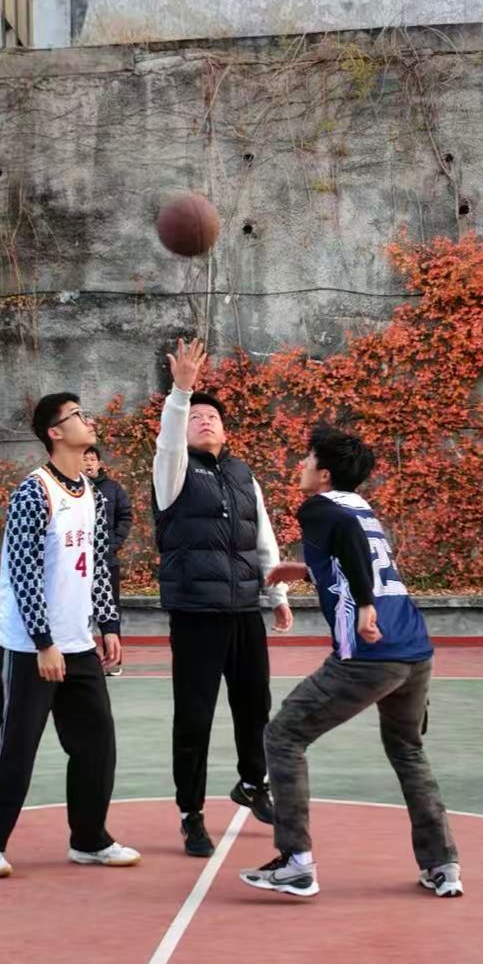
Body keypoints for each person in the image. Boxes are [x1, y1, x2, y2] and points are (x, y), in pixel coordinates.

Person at [240, 426, 460, 900]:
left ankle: (296, 864)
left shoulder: (318, 508)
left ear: (324, 474)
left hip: (370, 652)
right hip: (414, 650)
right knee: (407, 750)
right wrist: (308, 570)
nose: (301, 466)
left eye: (307, 459)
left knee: (283, 736)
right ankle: (442, 863)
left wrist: (362, 605)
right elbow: (360, 556)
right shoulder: (360, 507)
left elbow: (352, 550)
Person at [0, 393, 135, 878]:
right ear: (55, 432)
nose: (89, 419)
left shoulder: (92, 493)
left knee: (97, 743)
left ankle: (89, 840)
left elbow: (97, 563)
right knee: (17, 747)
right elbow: (23, 571)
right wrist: (43, 642)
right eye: (78, 415)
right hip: (31, 647)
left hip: (78, 642)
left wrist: (108, 624)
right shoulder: (33, 491)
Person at [154, 338, 293, 858]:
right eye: (196, 417)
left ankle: (253, 783)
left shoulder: (242, 475)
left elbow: (263, 537)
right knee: (194, 718)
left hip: (243, 612)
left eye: (212, 416)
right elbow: (169, 442)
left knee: (255, 706)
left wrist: (277, 594)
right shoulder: (172, 472)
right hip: (196, 614)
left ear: (226, 429)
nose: (205, 421)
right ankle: (190, 813)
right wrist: (182, 392)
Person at [82, 444, 133, 675]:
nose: (88, 463)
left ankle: (114, 660)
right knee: (79, 610)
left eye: (92, 458)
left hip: (106, 561)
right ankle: (81, 659)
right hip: (78, 564)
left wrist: (112, 544)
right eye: (85, 459)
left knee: (110, 609)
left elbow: (126, 516)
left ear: (99, 463)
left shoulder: (113, 488)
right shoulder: (71, 490)